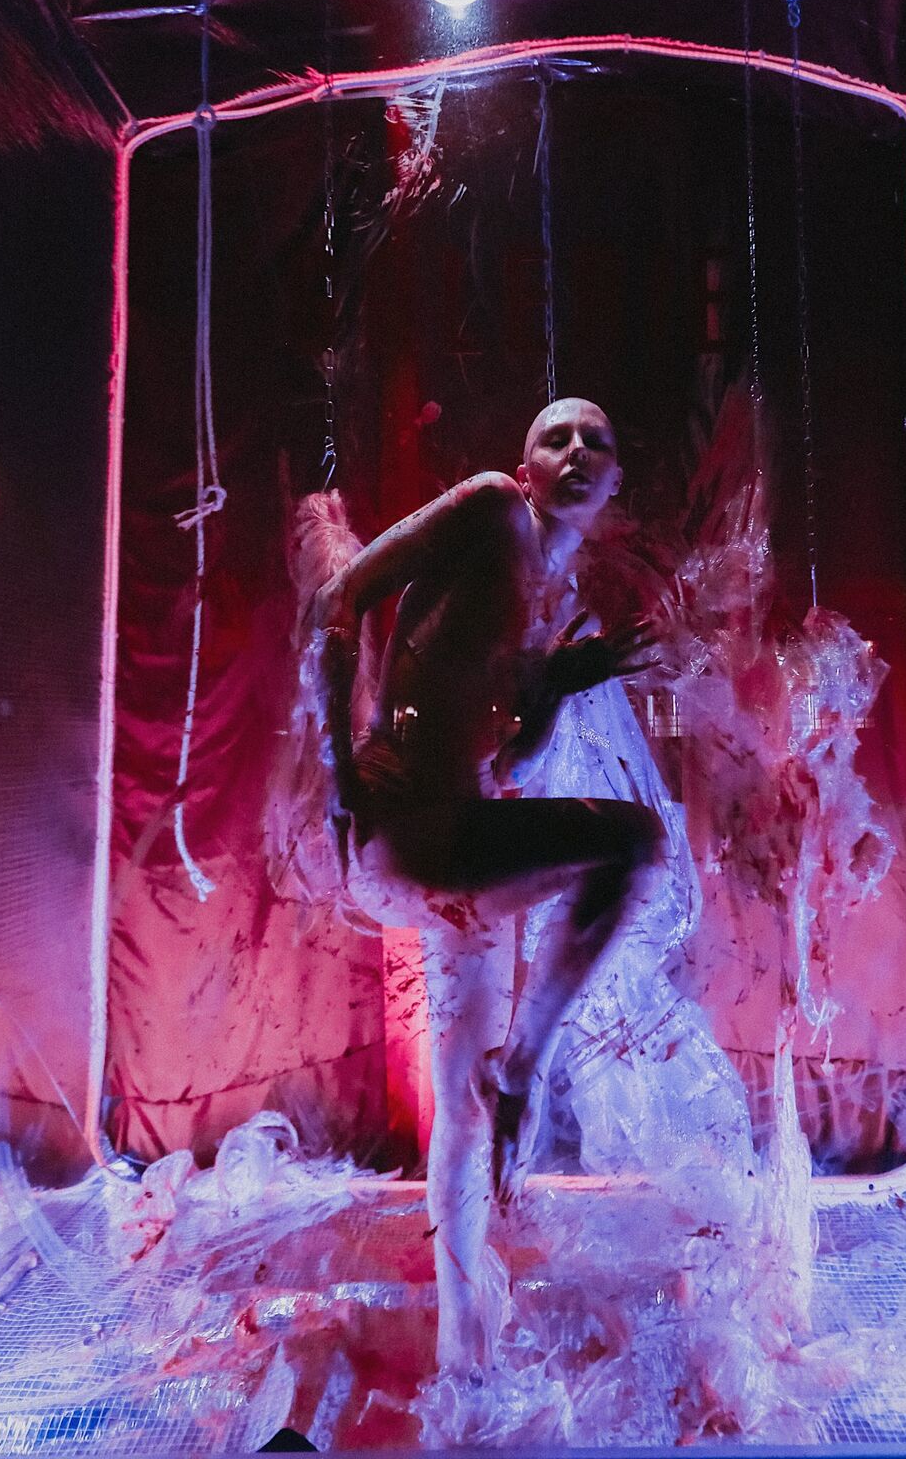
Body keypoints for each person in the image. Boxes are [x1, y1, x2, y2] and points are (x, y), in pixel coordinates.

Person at [311, 398, 665, 1375]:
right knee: (632, 842)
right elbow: (339, 595)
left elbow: (511, 761)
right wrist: (338, 777)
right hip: (403, 829)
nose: (577, 451)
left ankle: (465, 1350)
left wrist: (552, 687)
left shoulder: (551, 595)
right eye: (557, 436)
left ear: (615, 480)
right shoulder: (491, 509)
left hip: (458, 846)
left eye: (597, 441)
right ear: (525, 464)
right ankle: (528, 1066)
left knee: (465, 1111)